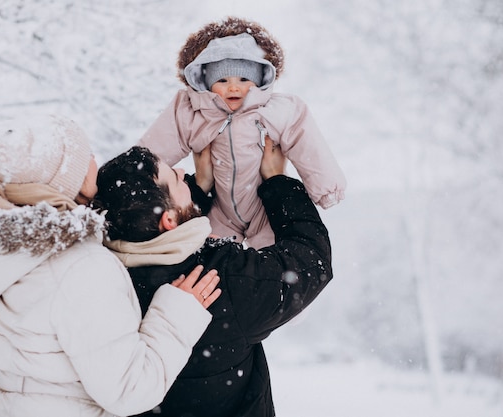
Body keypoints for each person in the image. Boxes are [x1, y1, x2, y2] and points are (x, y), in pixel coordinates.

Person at [0, 114, 221, 417]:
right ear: (73, 180)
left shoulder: (6, 250)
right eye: (87, 157)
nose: (96, 161)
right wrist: (176, 314)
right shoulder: (81, 268)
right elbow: (128, 390)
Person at [92, 138, 334, 417]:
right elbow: (310, 260)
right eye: (176, 178)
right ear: (168, 219)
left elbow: (157, 232)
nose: (183, 173)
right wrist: (279, 183)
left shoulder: (101, 281)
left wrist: (196, 190)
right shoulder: (223, 280)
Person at [138, 16, 347, 249]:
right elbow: (159, 144)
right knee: (210, 256)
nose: (234, 87)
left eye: (244, 79)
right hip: (219, 208)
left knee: (273, 256)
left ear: (259, 81)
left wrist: (326, 187)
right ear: (205, 83)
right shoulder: (194, 111)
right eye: (223, 80)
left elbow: (305, 140)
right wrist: (137, 178)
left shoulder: (275, 110)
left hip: (264, 207)